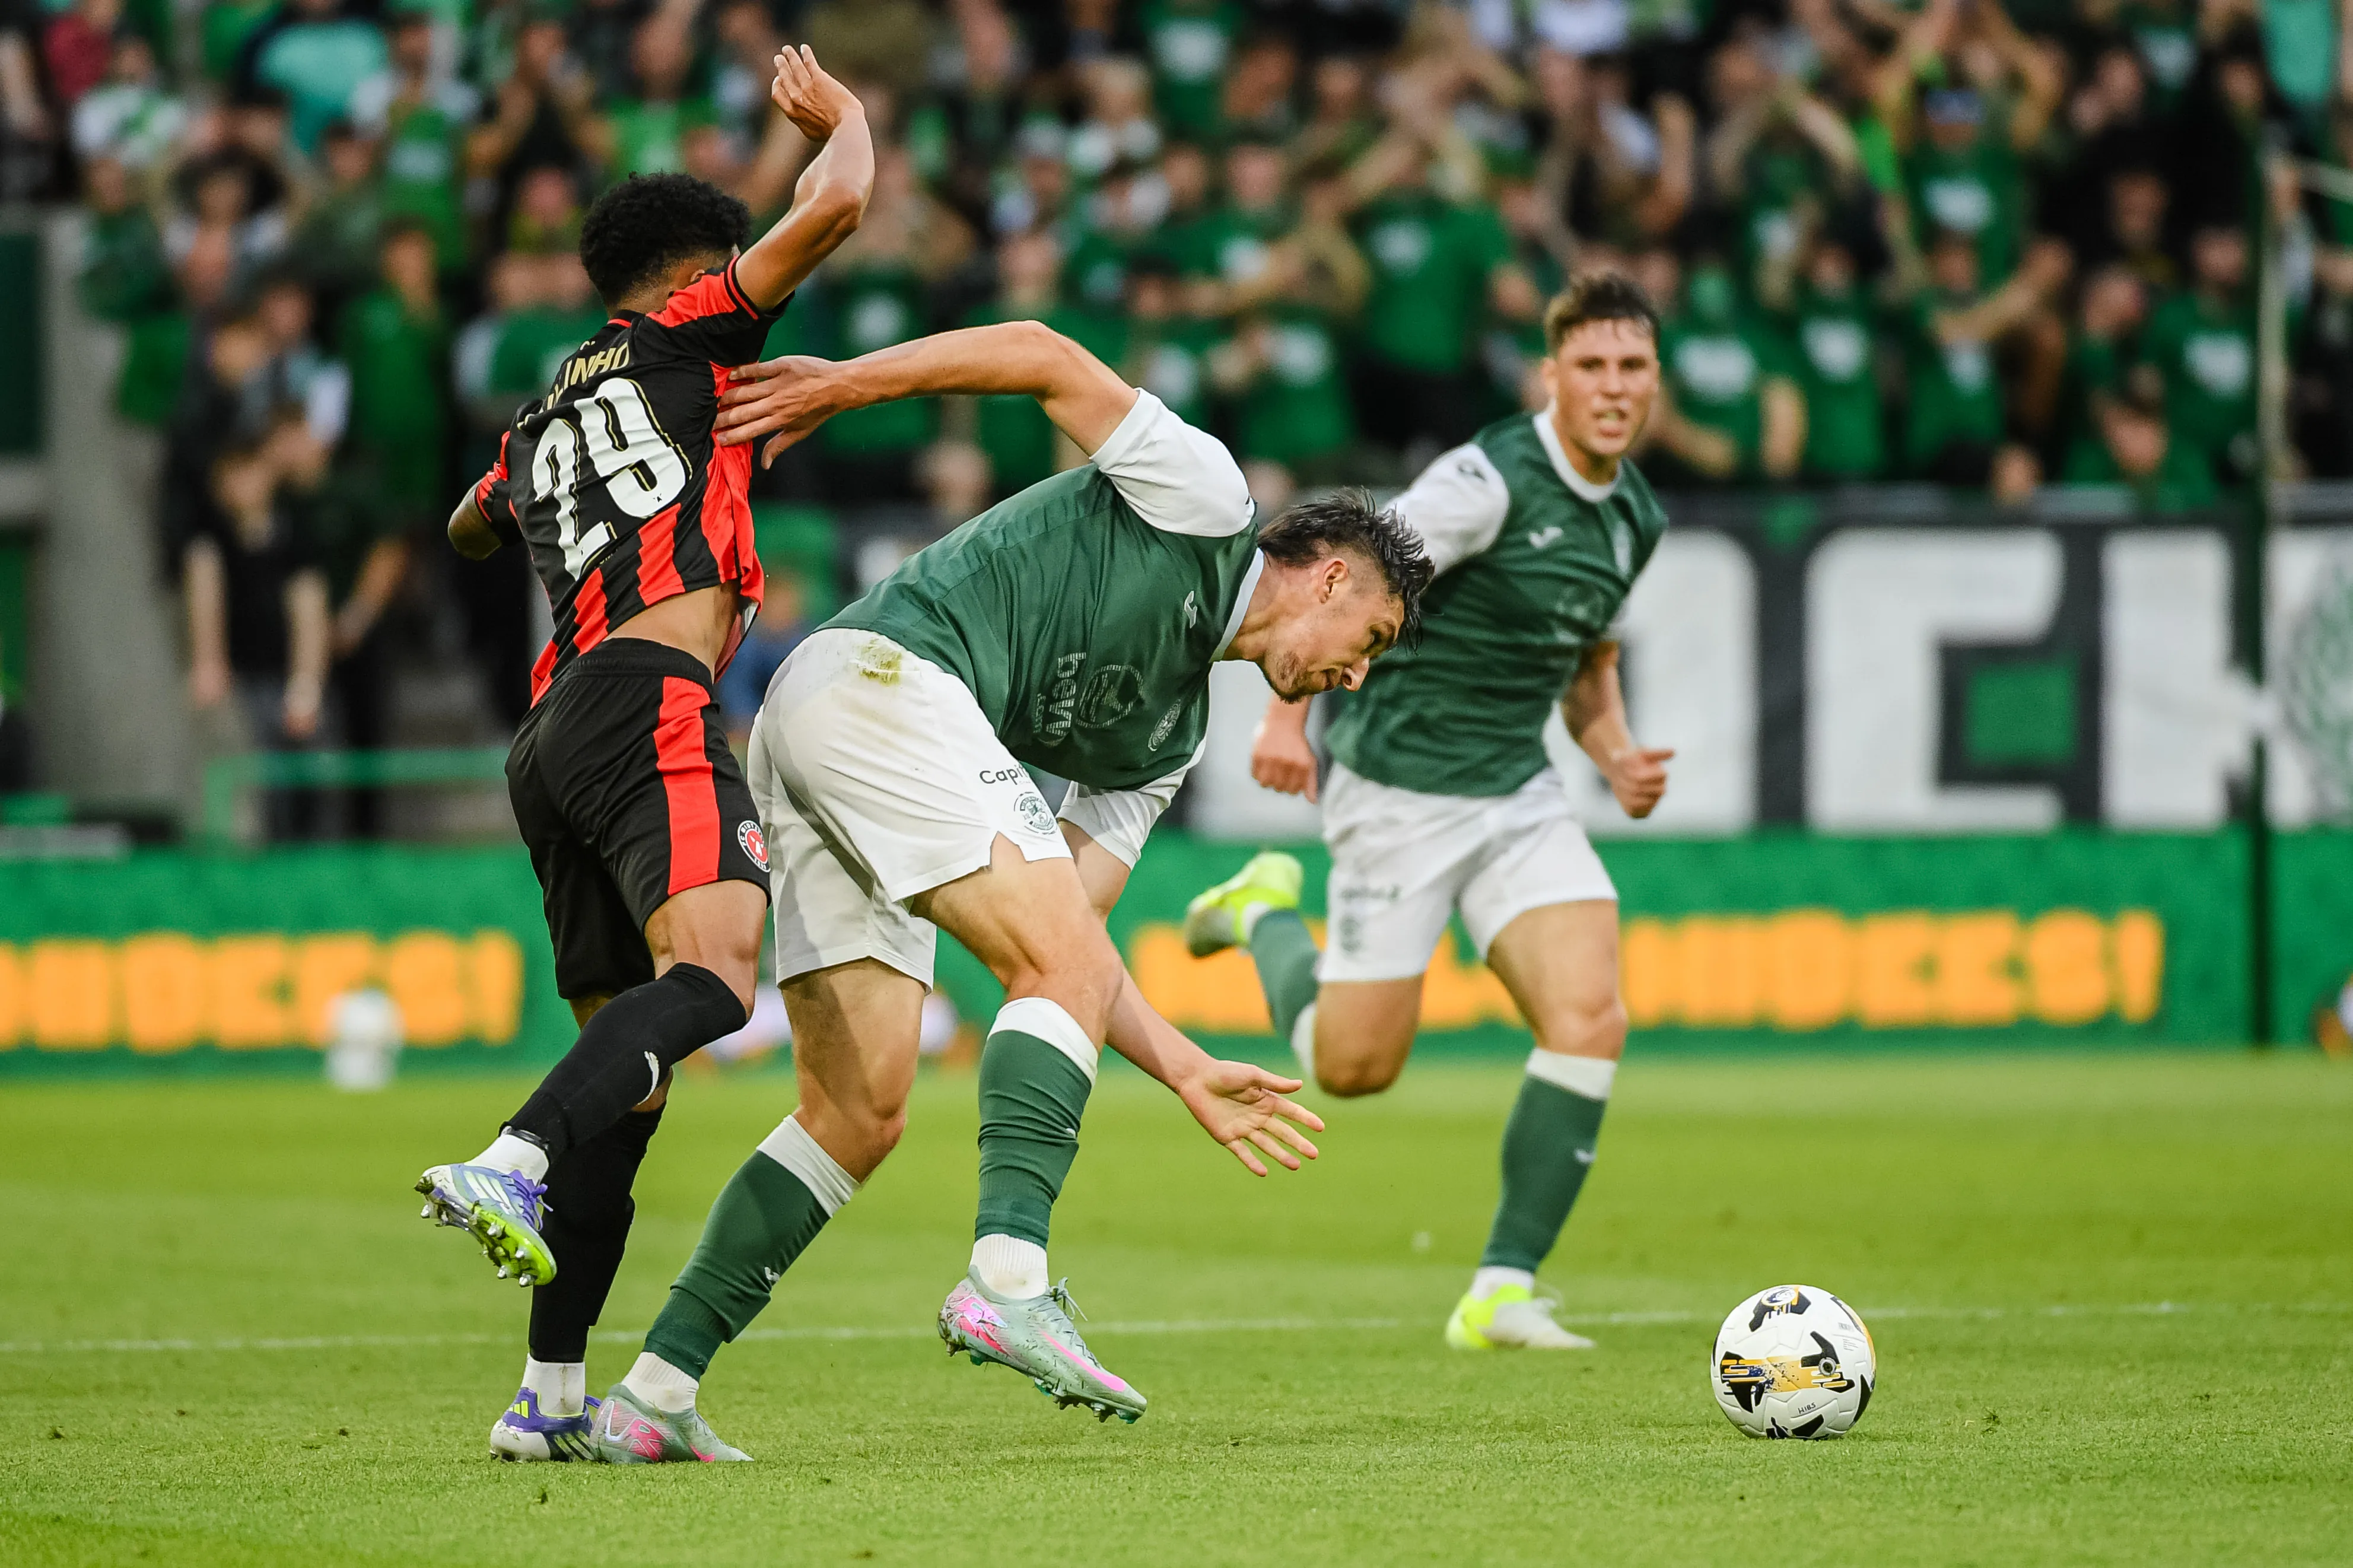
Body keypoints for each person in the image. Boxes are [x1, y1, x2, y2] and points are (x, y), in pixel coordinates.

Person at [582, 315, 1432, 1461]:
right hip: (880, 678)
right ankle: (1008, 1275)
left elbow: (1066, 948)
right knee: (1040, 972)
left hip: (821, 733)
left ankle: (653, 1392)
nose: (1354, 673)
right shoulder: (1206, 503)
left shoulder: (1167, 740)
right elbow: (1039, 352)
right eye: (1369, 636)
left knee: (858, 1111)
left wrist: (1182, 1067)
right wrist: (845, 384)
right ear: (1330, 574)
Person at [411, 46, 874, 1465]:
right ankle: (512, 1156)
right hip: (651, 699)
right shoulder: (690, 339)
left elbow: (469, 526)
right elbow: (841, 202)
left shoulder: (546, 405)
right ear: (703, 274)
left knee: (641, 1071)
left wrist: (563, 489)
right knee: (718, 980)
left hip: (550, 734)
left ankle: (549, 1402)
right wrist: (843, 118)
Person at [1185, 273, 1673, 1354]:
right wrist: (1284, 717)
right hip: (1396, 788)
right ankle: (1263, 910)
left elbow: (1583, 659)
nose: (1612, 386)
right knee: (1353, 1070)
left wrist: (1616, 750)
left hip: (1518, 794)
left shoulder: (1635, 514)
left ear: (1653, 380)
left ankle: (1501, 1288)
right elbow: (1345, 570)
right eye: (1589, 365)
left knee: (1590, 1016)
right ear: (1551, 375)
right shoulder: (1488, 479)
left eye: (1631, 366)